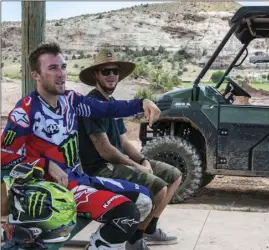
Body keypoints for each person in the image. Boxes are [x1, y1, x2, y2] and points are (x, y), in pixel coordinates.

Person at [0, 42, 162, 250]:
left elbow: (107, 109)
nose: (61, 74)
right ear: (36, 75)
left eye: (63, 67)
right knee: (127, 212)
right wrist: (45, 163)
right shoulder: (25, 111)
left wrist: (142, 103)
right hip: (52, 193)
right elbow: (4, 158)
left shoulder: (71, 101)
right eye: (52, 68)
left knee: (144, 198)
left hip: (79, 180)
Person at [76, 49, 182, 249]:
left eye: (115, 71)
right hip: (101, 168)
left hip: (118, 162)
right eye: (105, 71)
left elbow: (123, 141)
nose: (111, 76)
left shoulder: (113, 104)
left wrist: (143, 160)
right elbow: (105, 149)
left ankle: (149, 227)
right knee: (159, 188)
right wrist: (137, 166)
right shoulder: (92, 104)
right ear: (96, 75)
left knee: (174, 175)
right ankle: (135, 239)